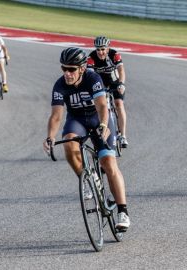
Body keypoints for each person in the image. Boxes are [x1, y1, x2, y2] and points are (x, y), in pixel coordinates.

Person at [43, 47, 130, 231]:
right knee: (68, 143)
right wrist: (50, 137)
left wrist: (104, 125)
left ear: (82, 68)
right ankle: (87, 181)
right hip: (77, 120)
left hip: (98, 118)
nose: (67, 73)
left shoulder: (93, 79)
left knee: (108, 162)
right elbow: (56, 116)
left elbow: (102, 107)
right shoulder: (59, 85)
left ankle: (123, 211)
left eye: (72, 69)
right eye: (64, 69)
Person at [87, 36, 129, 148]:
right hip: (101, 84)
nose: (100, 52)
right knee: (102, 106)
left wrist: (121, 83)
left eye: (103, 49)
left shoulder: (114, 55)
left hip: (115, 82)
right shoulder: (91, 57)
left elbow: (121, 70)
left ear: (108, 48)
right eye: (98, 49)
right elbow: (90, 75)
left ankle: (123, 135)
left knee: (119, 104)